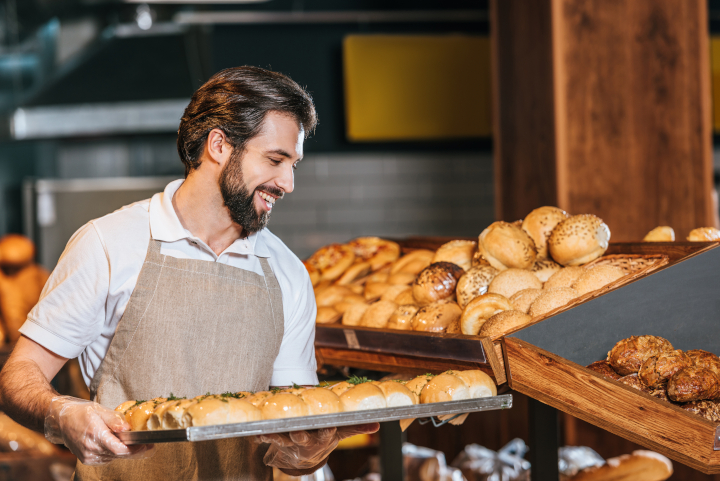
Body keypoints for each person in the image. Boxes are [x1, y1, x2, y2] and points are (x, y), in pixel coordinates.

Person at [0, 66, 377, 480]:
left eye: (294, 166)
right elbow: (18, 375)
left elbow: (290, 429)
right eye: (275, 159)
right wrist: (62, 413)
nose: (287, 182)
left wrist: (307, 454)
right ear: (219, 145)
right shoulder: (109, 244)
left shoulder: (286, 273)